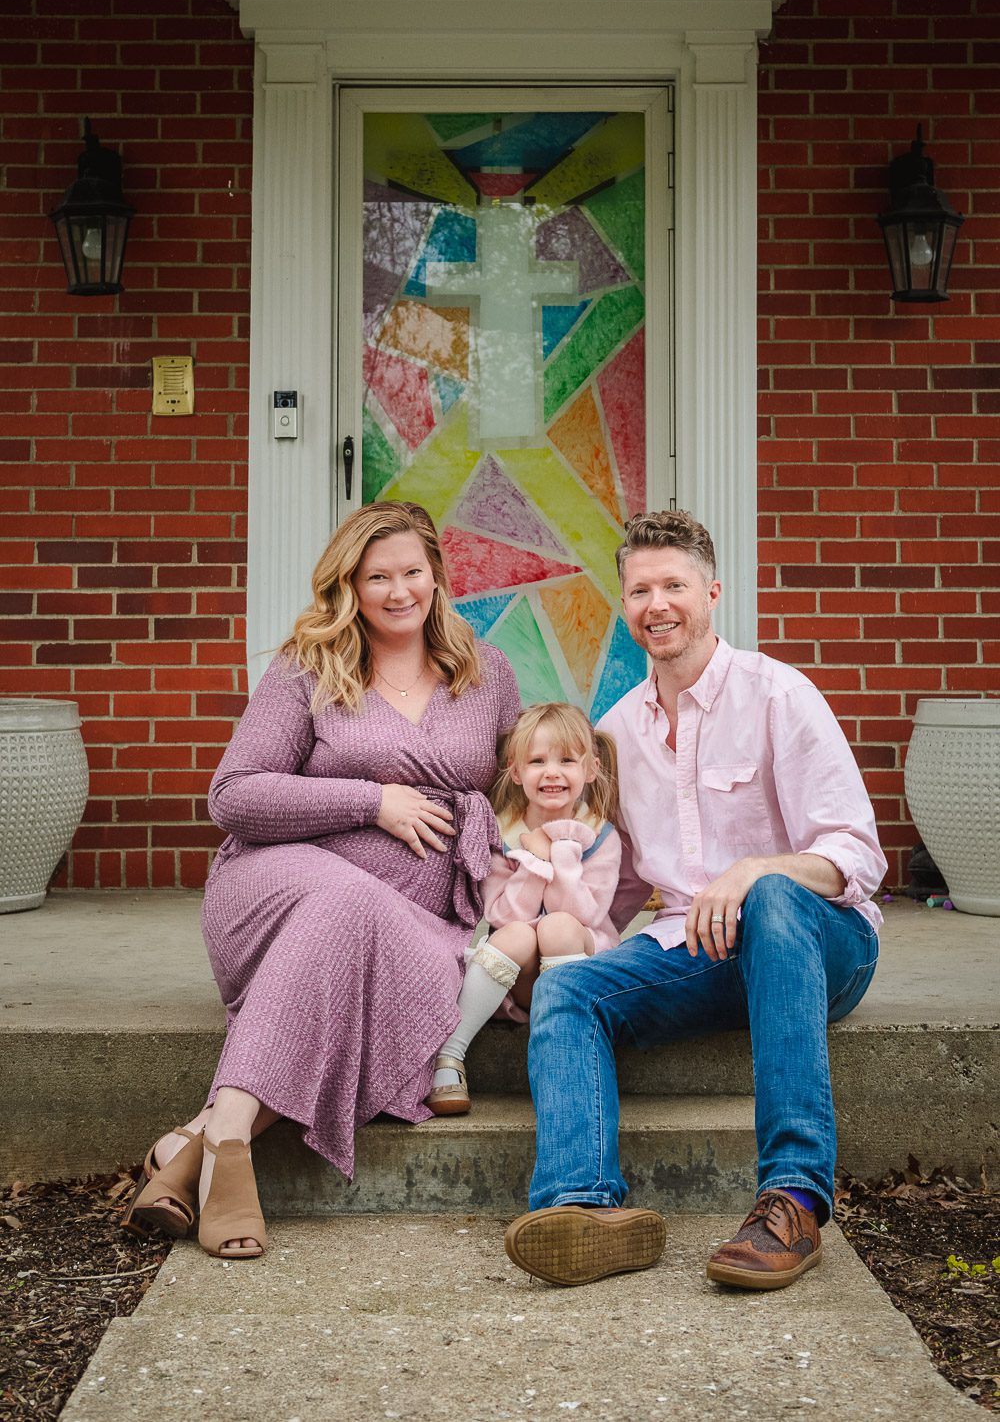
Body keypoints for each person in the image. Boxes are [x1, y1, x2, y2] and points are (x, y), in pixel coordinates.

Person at [121, 500, 521, 1260]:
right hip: (273, 889)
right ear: (350, 584)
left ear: (437, 575)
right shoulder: (308, 665)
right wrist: (372, 802)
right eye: (378, 576)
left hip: (414, 918)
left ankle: (190, 1147)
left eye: (412, 572)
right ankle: (233, 1150)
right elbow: (233, 795)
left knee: (378, 934)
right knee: (343, 899)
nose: (398, 590)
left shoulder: (486, 670)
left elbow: (522, 785)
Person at [504, 508, 885, 1290]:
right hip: (699, 951)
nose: (657, 604)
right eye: (640, 590)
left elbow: (856, 854)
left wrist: (752, 874)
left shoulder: (779, 694)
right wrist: (541, 940)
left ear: (711, 591)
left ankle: (794, 1199)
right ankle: (583, 1206)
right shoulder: (615, 732)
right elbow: (626, 882)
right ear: (626, 605)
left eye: (673, 584)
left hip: (822, 941)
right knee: (571, 986)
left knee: (775, 897)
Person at [426, 702, 622, 1115]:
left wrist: (561, 855)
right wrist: (532, 861)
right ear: (516, 772)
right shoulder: (500, 831)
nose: (552, 772)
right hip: (519, 976)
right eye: (537, 761)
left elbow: (584, 913)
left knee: (560, 927)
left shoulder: (602, 835)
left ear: (590, 769)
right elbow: (503, 915)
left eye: (566, 760)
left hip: (580, 964)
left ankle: (564, 1048)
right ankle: (449, 1054)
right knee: (515, 933)